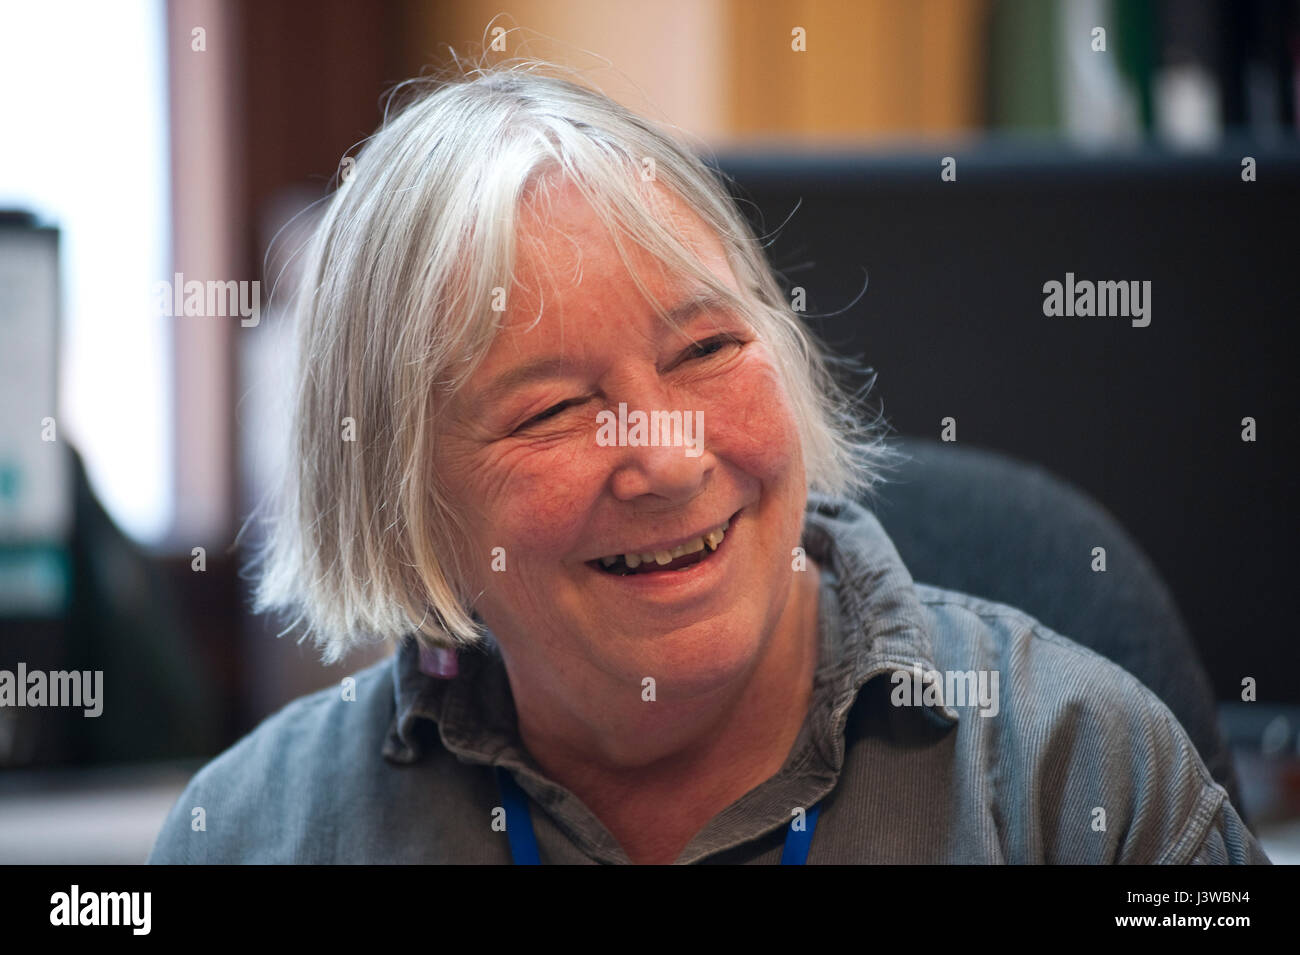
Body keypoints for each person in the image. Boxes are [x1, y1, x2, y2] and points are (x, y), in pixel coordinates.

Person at [149, 62, 1268, 865]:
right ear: (402, 506)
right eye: (553, 408)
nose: (669, 460)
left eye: (708, 349)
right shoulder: (255, 833)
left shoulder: (1077, 775)